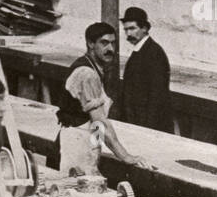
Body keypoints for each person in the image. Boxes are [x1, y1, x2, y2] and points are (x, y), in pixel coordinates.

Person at [53, 22, 148, 176]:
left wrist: (95, 147)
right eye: (104, 43)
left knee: (91, 183)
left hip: (87, 139)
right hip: (76, 143)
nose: (110, 49)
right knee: (77, 190)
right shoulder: (86, 73)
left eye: (113, 43)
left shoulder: (96, 69)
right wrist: (125, 156)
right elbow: (99, 122)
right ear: (90, 43)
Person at [118, 6, 173, 132]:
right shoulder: (141, 50)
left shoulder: (154, 53)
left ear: (145, 28)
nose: (128, 34)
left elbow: (157, 96)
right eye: (126, 29)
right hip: (137, 121)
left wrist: (146, 129)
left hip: (149, 124)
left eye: (132, 28)